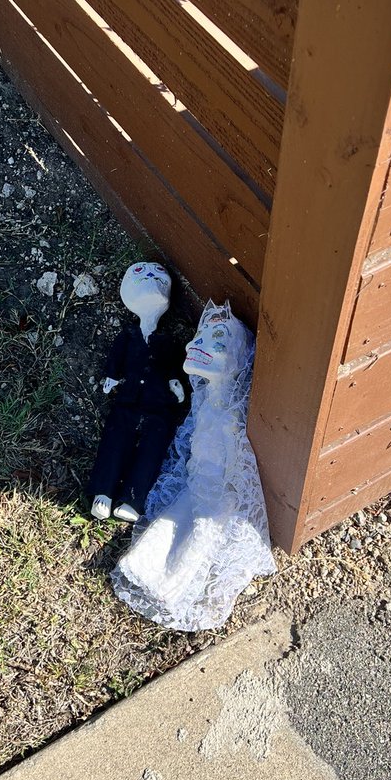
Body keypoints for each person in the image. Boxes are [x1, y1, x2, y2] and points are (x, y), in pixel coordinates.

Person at [111, 300, 276, 630]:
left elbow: (239, 464)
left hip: (216, 494)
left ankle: (173, 587)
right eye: (198, 337)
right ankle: (149, 570)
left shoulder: (232, 417)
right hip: (196, 479)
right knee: (169, 526)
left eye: (214, 341)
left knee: (198, 539)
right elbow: (190, 437)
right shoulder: (206, 401)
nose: (193, 345)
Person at [87, 261, 186, 523]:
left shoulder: (169, 342)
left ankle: (134, 497)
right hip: (128, 399)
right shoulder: (128, 336)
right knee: (115, 441)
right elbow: (116, 359)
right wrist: (111, 377)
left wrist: (175, 382)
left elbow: (174, 366)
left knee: (151, 450)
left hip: (159, 404)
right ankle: (104, 492)